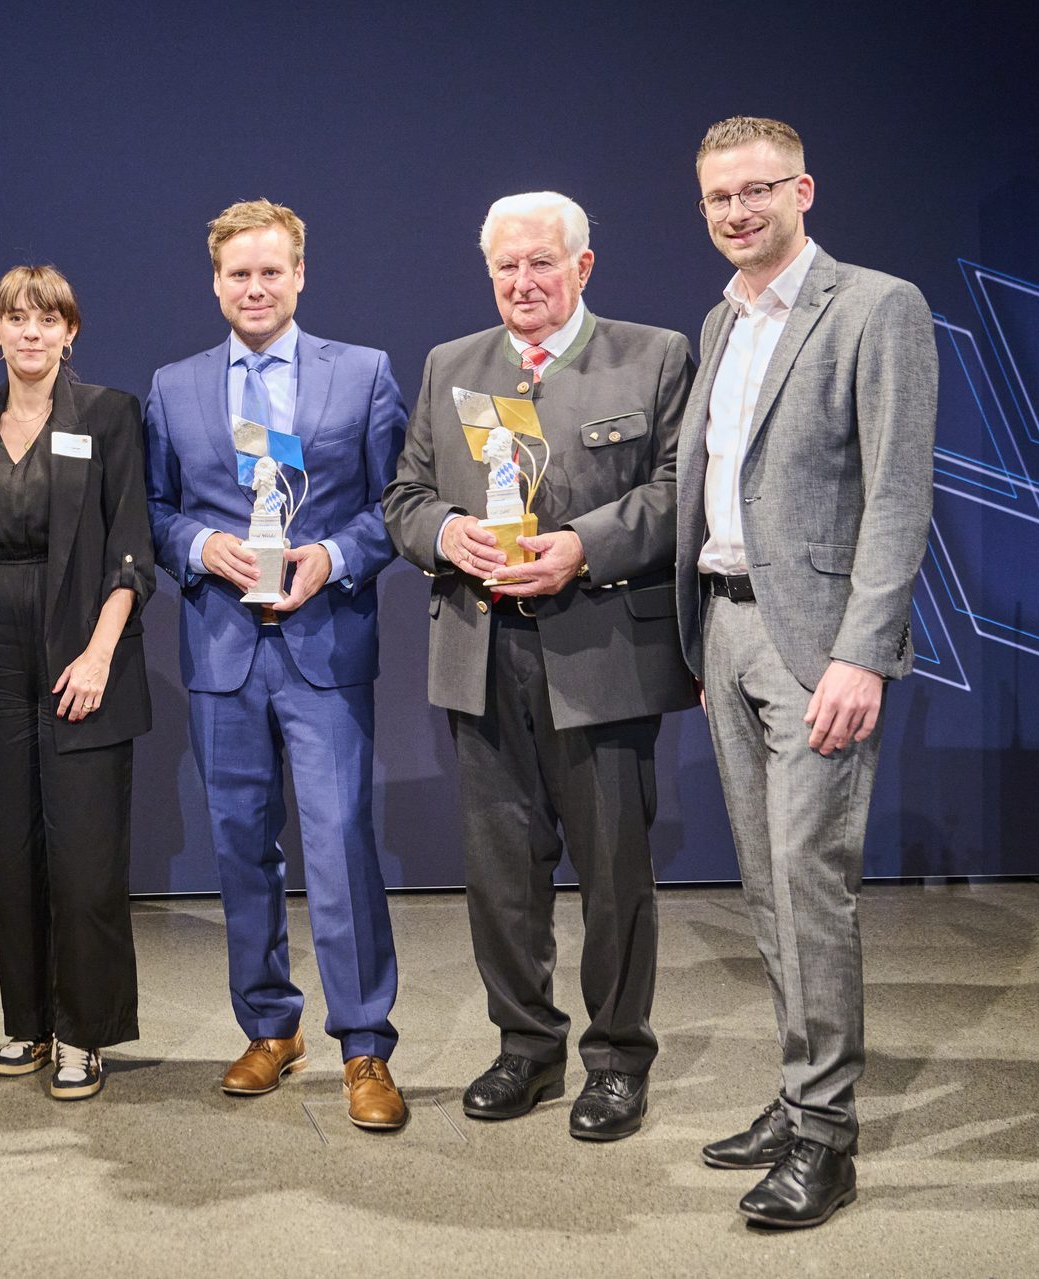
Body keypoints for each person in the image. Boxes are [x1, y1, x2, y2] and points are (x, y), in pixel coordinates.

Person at [383, 192, 696, 1143]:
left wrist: (583, 546)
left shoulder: (653, 355)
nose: (522, 283)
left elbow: (683, 490)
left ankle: (615, 1058)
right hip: (479, 654)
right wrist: (446, 533)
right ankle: (524, 1045)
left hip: (598, 649)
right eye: (505, 268)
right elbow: (404, 497)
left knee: (613, 873)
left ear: (583, 267)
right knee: (500, 873)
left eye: (540, 264)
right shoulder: (451, 365)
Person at [676, 116, 935, 1229]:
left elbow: (895, 496)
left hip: (817, 647)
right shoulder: (720, 318)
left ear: (802, 190)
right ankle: (795, 1096)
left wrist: (859, 653)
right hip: (726, 631)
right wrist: (702, 637)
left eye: (755, 190)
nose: (736, 211)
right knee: (766, 886)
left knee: (810, 883)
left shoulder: (876, 307)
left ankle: (824, 1132)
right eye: (717, 198)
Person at [144, 199, 409, 1131]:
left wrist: (330, 558)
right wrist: (199, 546)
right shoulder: (173, 387)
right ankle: (269, 1025)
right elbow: (155, 508)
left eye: (270, 272)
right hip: (222, 651)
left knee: (338, 845)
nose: (253, 289)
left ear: (299, 275)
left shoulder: (364, 375)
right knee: (240, 848)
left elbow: (397, 507)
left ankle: (365, 1045)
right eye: (236, 274)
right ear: (214, 283)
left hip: (323, 646)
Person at [0, 266, 154, 1101]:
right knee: (11, 854)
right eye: (14, 318)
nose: (30, 333)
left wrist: (101, 652)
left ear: (72, 332)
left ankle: (84, 1034)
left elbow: (132, 548)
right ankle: (28, 1023)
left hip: (82, 659)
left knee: (85, 860)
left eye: (47, 318)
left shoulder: (108, 415)